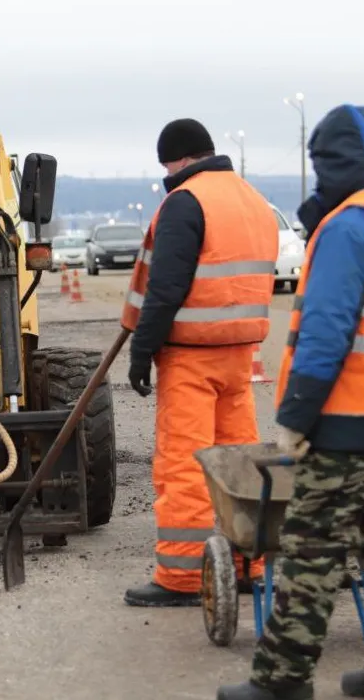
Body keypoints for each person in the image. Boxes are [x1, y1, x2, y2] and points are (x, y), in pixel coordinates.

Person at [218, 105, 364, 700]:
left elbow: (325, 332)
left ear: (335, 161)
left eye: (320, 164)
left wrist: (295, 417)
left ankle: (281, 681)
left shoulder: (350, 226)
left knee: (313, 550)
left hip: (349, 416)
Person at [120, 118, 276, 608]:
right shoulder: (252, 199)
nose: (167, 173)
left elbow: (165, 288)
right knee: (241, 466)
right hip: (239, 356)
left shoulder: (186, 201)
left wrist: (142, 350)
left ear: (180, 158)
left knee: (185, 466)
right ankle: (250, 566)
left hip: (191, 358)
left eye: (166, 164)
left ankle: (183, 577)